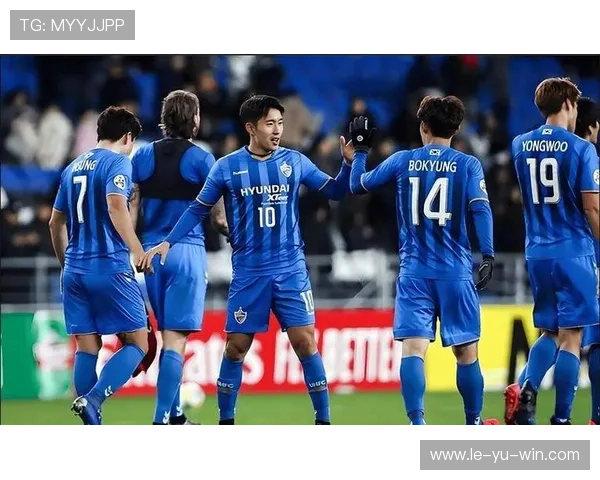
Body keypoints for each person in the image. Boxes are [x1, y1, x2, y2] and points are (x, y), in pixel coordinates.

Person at [141, 94, 354, 427]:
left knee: (305, 342)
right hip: (248, 273)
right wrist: (169, 241)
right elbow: (198, 208)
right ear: (251, 128)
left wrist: (350, 163)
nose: (278, 130)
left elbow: (337, 191)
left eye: (280, 123)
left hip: (290, 270)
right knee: (236, 348)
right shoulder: (226, 167)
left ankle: (323, 422)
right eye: (270, 124)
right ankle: (226, 423)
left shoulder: (295, 161)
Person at [348, 96, 498, 427]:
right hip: (455, 272)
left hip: (414, 272)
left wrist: (359, 153)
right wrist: (487, 254)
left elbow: (357, 185)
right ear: (457, 129)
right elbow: (480, 209)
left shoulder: (403, 160)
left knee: (413, 350)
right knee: (466, 353)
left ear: (423, 127)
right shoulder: (468, 164)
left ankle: (417, 425)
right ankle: (473, 423)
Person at [130, 90, 228, 429]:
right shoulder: (203, 160)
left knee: (166, 334)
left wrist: (133, 249)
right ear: (194, 119)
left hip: (150, 255)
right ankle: (161, 422)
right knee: (175, 340)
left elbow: (131, 205)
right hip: (186, 251)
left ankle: (175, 415)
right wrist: (237, 234)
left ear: (164, 118)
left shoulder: (142, 156)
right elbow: (218, 218)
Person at [48, 106, 150, 426]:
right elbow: (116, 205)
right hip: (109, 266)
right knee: (139, 343)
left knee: (87, 345)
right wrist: (137, 249)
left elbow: (55, 223)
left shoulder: (72, 166)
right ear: (128, 137)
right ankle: (92, 400)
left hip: (74, 270)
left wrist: (67, 264)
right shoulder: (119, 162)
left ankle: (90, 424)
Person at [503, 96, 600, 427]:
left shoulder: (522, 145)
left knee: (549, 332)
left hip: (538, 251)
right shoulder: (583, 151)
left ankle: (525, 390)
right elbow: (592, 208)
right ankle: (563, 420)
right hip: (575, 252)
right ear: (569, 106)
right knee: (574, 337)